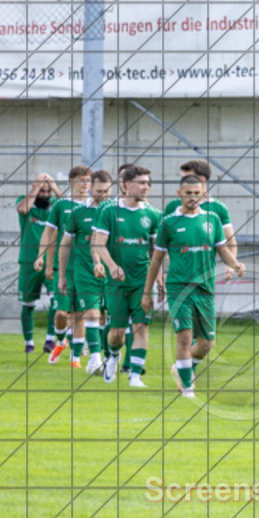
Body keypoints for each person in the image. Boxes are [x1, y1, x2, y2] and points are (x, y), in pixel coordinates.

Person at [144, 174, 245, 399]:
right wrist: (147, 292)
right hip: (179, 287)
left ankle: (181, 368)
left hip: (204, 288)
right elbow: (156, 260)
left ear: (203, 195)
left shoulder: (212, 220)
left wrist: (235, 264)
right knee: (184, 336)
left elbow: (223, 250)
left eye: (196, 194)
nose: (192, 198)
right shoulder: (169, 222)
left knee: (207, 343)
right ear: (179, 194)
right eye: (188, 194)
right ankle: (187, 387)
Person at [91, 165, 164, 386]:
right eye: (141, 182)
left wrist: (160, 277)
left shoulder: (153, 214)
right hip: (116, 282)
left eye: (148, 183)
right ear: (126, 185)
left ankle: (134, 375)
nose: (146, 187)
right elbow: (99, 243)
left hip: (142, 280)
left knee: (141, 326)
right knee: (117, 332)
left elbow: (157, 251)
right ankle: (112, 354)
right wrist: (112, 265)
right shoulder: (108, 210)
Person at [57, 170, 113, 376]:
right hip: (84, 272)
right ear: (91, 188)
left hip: (112, 272)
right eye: (99, 190)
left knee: (110, 317)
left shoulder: (116, 212)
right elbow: (65, 245)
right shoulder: (78, 213)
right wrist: (62, 276)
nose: (103, 195)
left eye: (107, 191)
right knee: (91, 313)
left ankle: (110, 356)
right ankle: (95, 359)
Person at [36, 165, 92, 366]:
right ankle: (60, 341)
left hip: (86, 270)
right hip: (65, 268)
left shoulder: (96, 206)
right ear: (71, 182)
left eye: (87, 180)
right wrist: (43, 258)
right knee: (61, 313)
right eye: (81, 180)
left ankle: (75, 359)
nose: (85, 184)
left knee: (79, 315)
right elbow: (49, 233)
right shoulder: (61, 206)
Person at [16, 172, 62, 353]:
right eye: (42, 191)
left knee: (56, 300)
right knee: (28, 303)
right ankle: (29, 342)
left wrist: (54, 186)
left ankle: (50, 340)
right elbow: (23, 209)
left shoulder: (57, 207)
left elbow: (73, 207)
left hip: (52, 261)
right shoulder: (25, 201)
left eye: (47, 190)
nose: (45, 194)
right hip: (29, 260)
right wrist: (36, 187)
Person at [163, 158, 237, 258]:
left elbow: (230, 242)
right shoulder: (174, 205)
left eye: (187, 178)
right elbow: (161, 239)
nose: (183, 182)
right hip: (177, 271)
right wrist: (167, 256)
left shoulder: (218, 208)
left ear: (202, 180)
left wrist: (230, 267)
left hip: (205, 271)